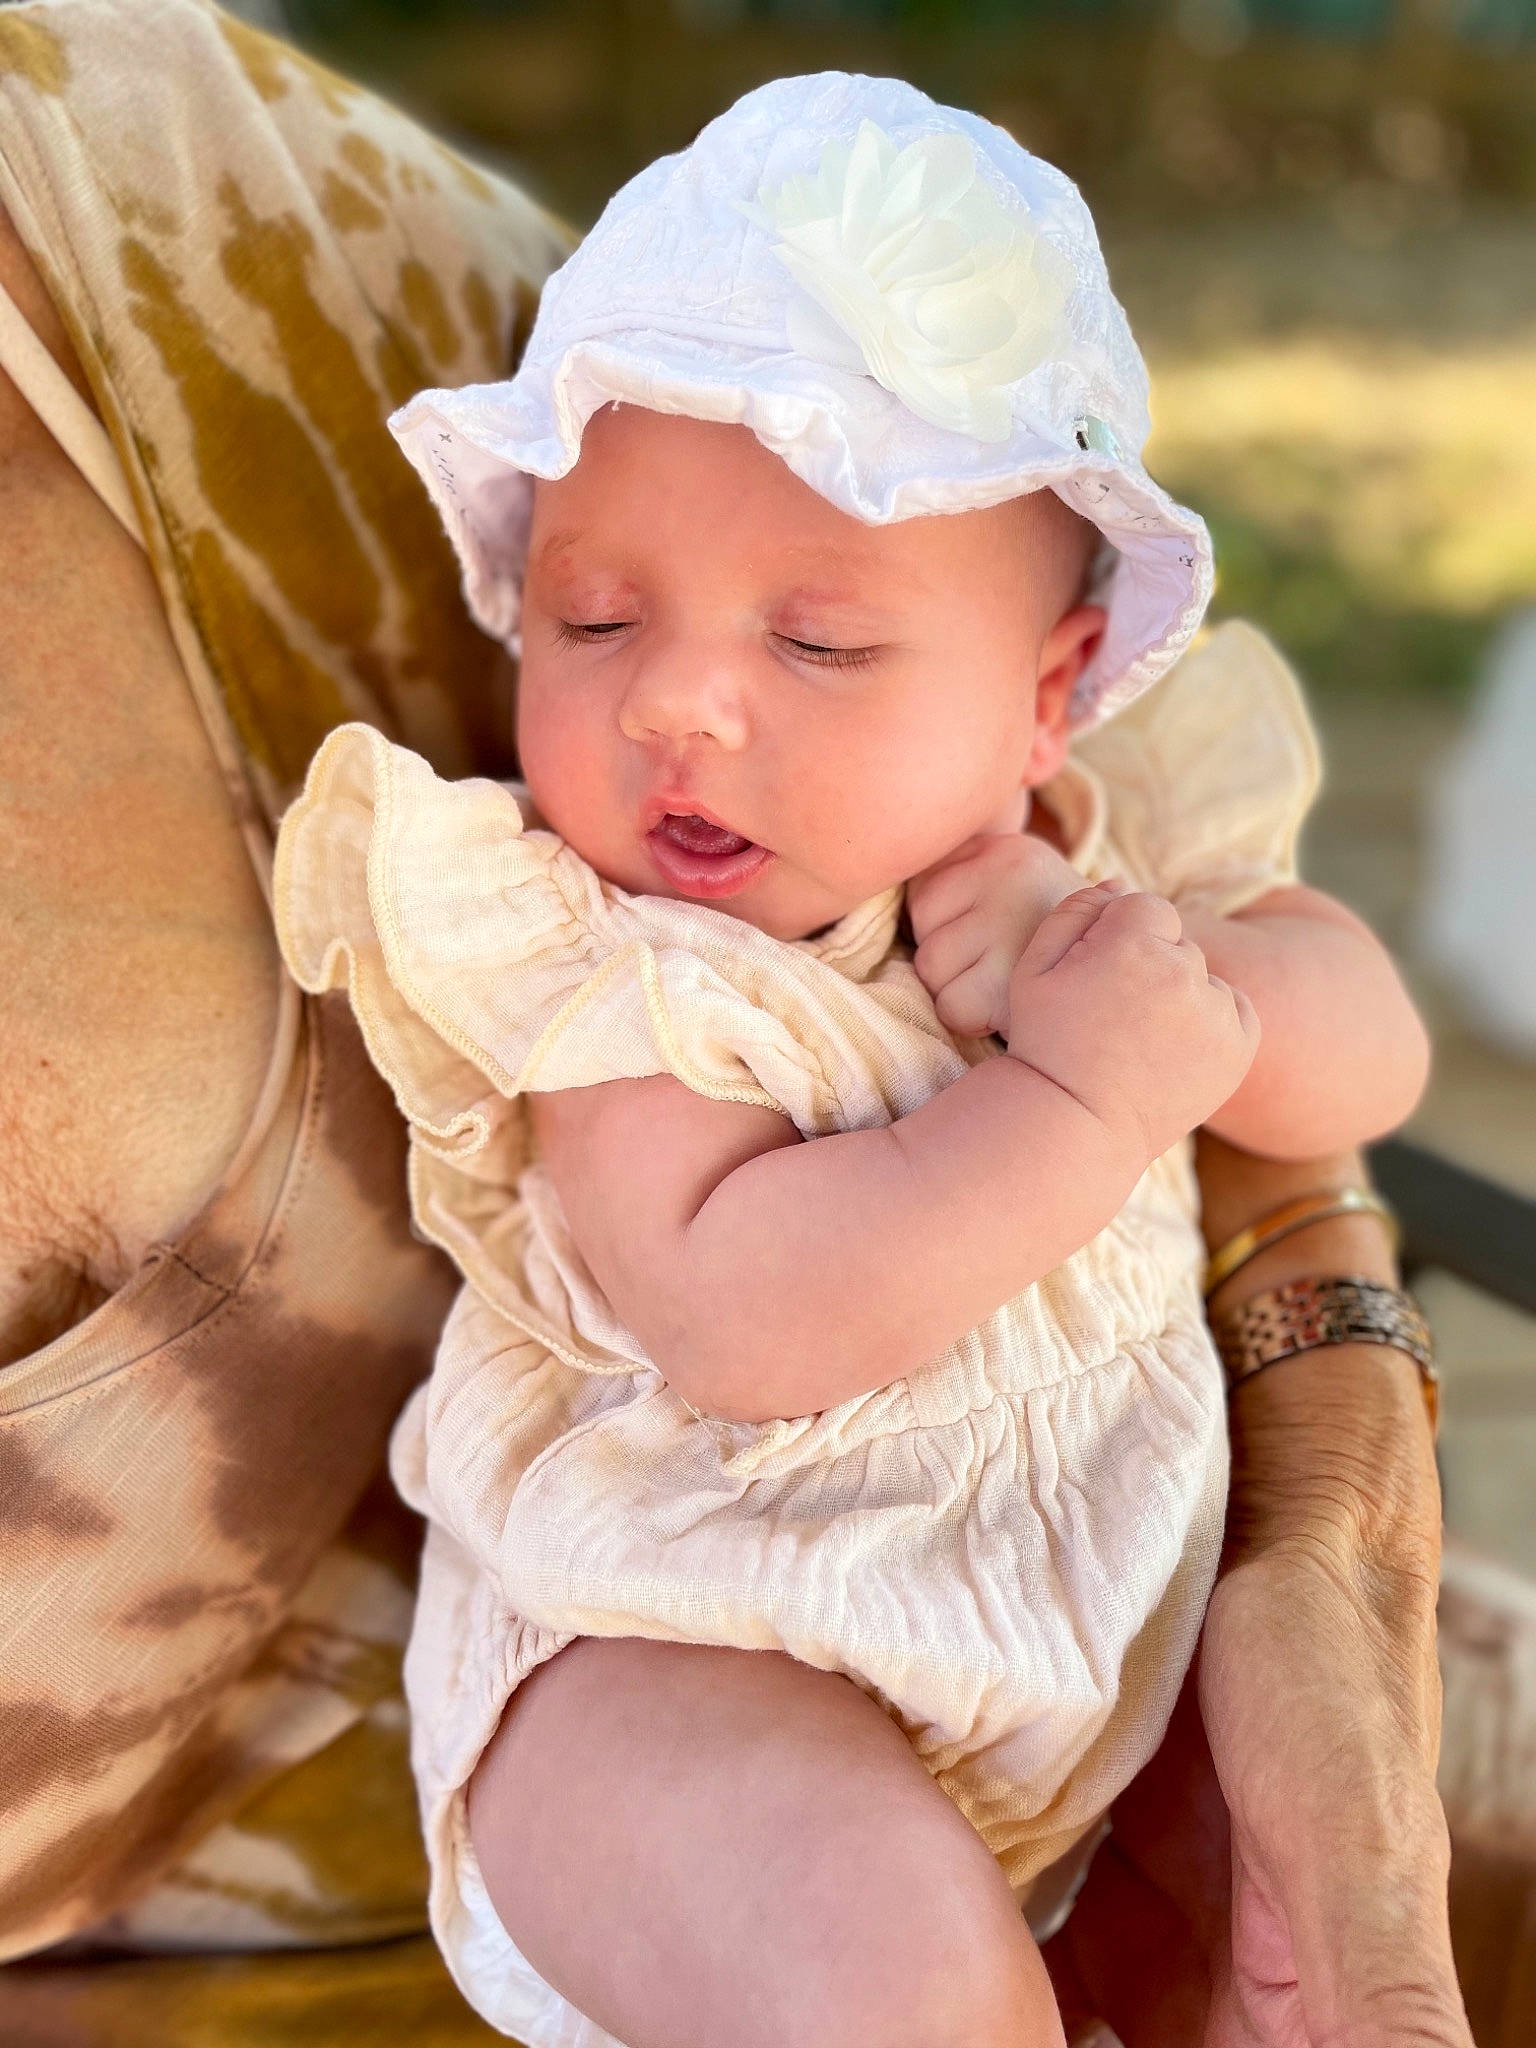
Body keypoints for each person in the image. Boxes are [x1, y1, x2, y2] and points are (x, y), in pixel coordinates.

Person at [0, 7, 1472, 2047]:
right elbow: (743, 1316)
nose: (677, 703)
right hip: (662, 1668)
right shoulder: (611, 964)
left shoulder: (1115, 858)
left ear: (1047, 696)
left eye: (820, 639)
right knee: (907, 1993)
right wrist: (1077, 1093)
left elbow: (1373, 1057)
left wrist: (1166, 983)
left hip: (1045, 1697)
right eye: (595, 618)